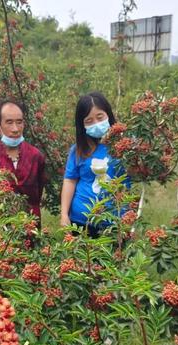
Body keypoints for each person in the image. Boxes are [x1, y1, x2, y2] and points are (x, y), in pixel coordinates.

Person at [60, 92, 130, 237]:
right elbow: (70, 180)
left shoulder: (125, 145)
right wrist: (64, 214)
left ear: (108, 115)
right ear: (82, 125)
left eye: (100, 117)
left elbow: (137, 174)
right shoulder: (78, 149)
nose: (96, 124)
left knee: (113, 259)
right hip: (81, 220)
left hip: (116, 220)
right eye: (89, 121)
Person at [0, 99, 46, 222]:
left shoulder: (36, 157)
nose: (15, 129)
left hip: (30, 224)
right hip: (0, 227)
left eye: (19, 122)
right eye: (9, 123)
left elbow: (38, 192)